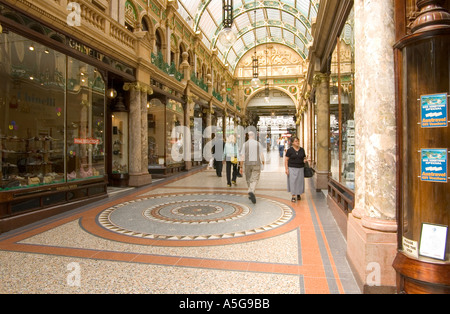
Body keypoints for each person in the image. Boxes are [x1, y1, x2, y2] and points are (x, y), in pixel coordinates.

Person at [239, 131, 265, 204]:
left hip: (247, 164)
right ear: (254, 136)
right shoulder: (258, 144)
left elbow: (242, 156)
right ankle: (251, 191)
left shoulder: (245, 144)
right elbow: (261, 154)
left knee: (248, 178)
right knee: (255, 178)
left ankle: (250, 191)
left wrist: (241, 166)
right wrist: (263, 163)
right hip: (256, 163)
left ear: (248, 136)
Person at [285, 136, 306, 202]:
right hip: (292, 168)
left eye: (298, 141)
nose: (297, 142)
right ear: (292, 143)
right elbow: (286, 160)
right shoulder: (289, 150)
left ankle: (298, 193)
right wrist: (286, 169)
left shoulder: (302, 150)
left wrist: (305, 160)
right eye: (296, 141)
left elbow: (304, 158)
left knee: (300, 182)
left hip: (300, 168)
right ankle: (293, 195)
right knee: (293, 181)